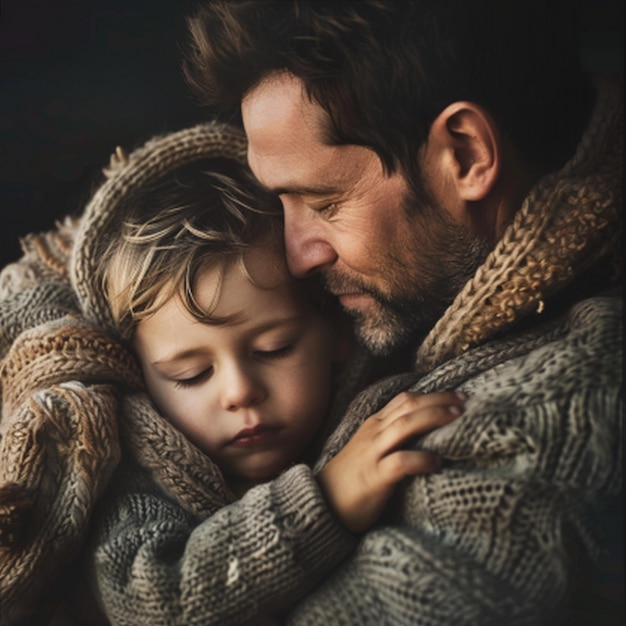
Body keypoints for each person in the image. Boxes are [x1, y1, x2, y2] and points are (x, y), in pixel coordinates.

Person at [180, 0, 623, 624]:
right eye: (276, 200)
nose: (293, 257)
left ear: (465, 156)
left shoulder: (550, 433)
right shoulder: (407, 277)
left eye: (323, 203)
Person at [0, 122, 465, 626]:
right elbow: (151, 600)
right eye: (191, 374)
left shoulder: (381, 398)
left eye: (274, 348)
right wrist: (325, 501)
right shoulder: (137, 477)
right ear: (142, 376)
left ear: (336, 329)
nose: (240, 392)